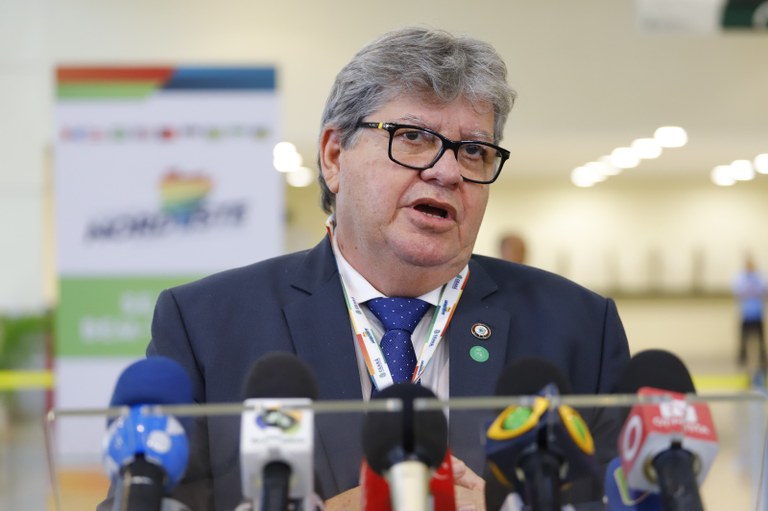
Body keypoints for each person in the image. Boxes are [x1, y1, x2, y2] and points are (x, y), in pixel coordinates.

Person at [105, 27, 630, 510]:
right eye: (413, 137)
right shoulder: (206, 324)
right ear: (334, 156)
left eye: (474, 150)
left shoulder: (580, 327)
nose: (448, 171)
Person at [732, 255, 767, 370]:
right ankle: (743, 357)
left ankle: (762, 357)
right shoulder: (741, 278)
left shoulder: (759, 277)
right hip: (746, 313)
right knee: (744, 337)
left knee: (760, 338)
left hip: (757, 312)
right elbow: (738, 291)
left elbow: (763, 291)